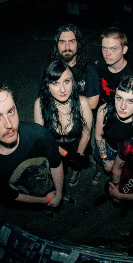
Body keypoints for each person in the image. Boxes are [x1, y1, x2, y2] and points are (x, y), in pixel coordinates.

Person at [0, 82, 75, 220]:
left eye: (10, 111)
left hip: (53, 182)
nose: (9, 125)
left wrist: (58, 194)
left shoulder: (39, 135)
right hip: (35, 196)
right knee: (45, 205)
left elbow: (56, 164)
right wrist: (45, 201)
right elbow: (12, 195)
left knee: (59, 192)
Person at [34, 60, 93, 188]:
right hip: (54, 147)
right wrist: (65, 154)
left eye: (66, 81)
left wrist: (78, 154)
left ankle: (76, 172)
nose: (62, 89)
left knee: (78, 163)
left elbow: (86, 133)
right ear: (47, 85)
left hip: (77, 144)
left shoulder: (82, 102)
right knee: (59, 170)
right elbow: (43, 139)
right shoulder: (40, 104)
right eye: (55, 83)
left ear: (73, 82)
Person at [92, 75, 133, 185]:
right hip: (106, 148)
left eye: (131, 101)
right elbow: (99, 136)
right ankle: (99, 171)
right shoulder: (104, 111)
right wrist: (104, 160)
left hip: (127, 155)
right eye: (119, 98)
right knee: (100, 164)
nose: (122, 106)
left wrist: (121, 163)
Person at [40, 24, 100, 110]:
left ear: (78, 44)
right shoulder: (48, 68)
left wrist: (61, 98)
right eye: (62, 42)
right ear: (56, 44)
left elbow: (93, 103)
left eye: (71, 41)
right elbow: (44, 98)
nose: (67, 47)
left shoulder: (90, 68)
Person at [95, 27, 133, 109]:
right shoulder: (97, 65)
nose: (107, 53)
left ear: (124, 50)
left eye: (113, 49)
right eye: (104, 48)